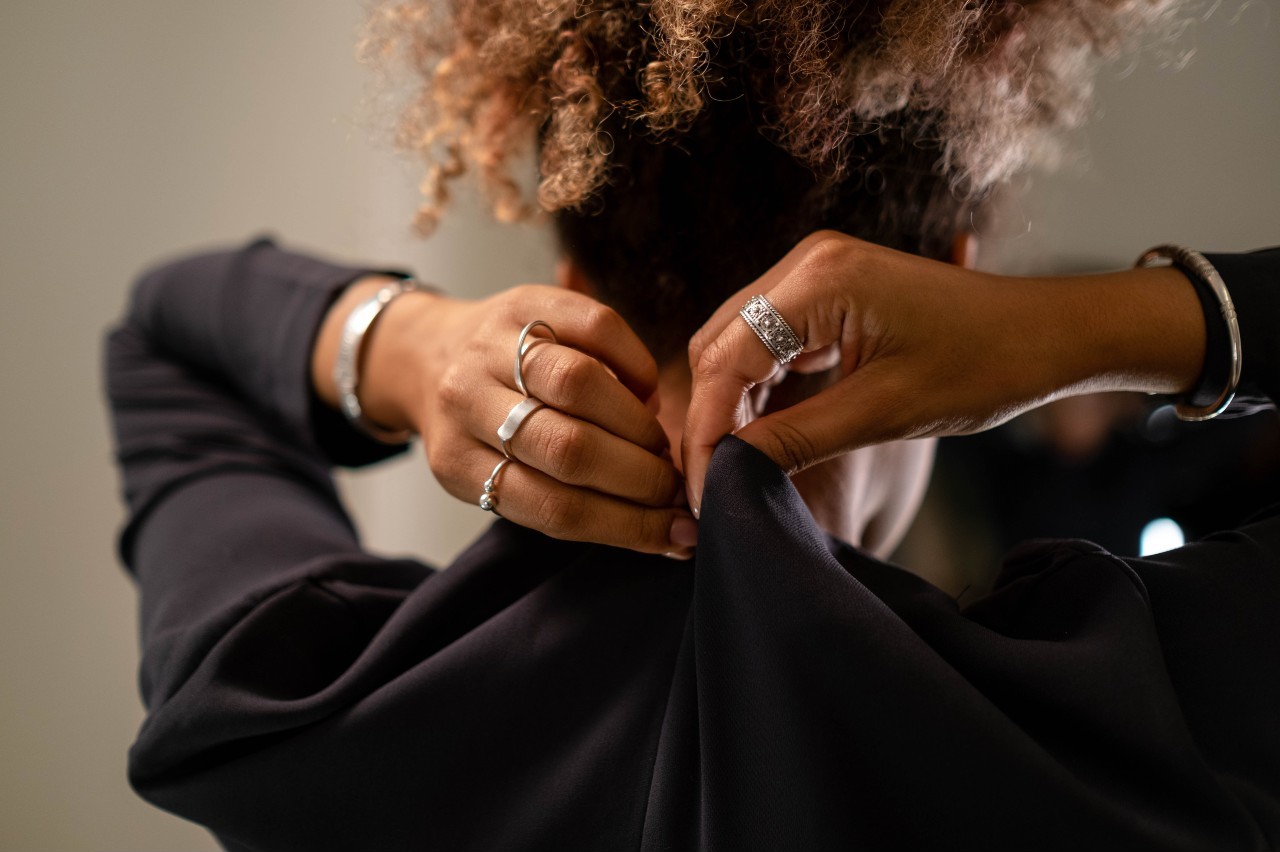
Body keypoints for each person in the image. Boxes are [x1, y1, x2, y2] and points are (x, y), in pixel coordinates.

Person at [105, 0, 1279, 849]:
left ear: (569, 266)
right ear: (954, 275)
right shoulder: (1130, 730)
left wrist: (402, 345)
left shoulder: (288, 702)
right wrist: (1091, 328)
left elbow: (167, 330)